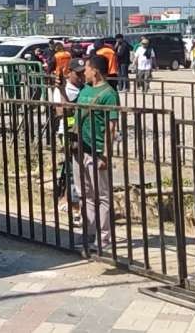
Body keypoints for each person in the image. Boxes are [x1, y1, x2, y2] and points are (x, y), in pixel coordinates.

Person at [73, 56, 118, 251]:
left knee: (102, 196)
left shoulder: (109, 94)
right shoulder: (85, 89)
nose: (85, 72)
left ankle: (104, 238)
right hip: (79, 148)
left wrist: (105, 155)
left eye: (88, 69)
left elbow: (111, 127)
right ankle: (90, 233)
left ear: (96, 71)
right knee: (85, 194)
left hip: (96, 150)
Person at [53, 58, 86, 225]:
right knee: (72, 170)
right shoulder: (62, 89)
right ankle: (74, 206)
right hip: (67, 133)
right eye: (77, 73)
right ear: (69, 73)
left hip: (83, 132)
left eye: (82, 73)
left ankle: (70, 200)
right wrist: (62, 92)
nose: (80, 77)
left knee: (77, 170)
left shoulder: (85, 88)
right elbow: (61, 111)